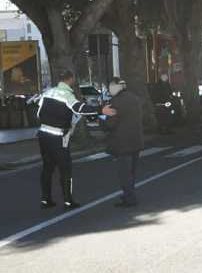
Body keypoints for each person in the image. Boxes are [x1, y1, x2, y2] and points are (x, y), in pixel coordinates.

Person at [37, 70, 116, 210]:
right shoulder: (67, 95)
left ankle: (45, 199)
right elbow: (79, 108)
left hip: (43, 134)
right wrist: (100, 110)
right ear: (71, 79)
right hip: (58, 136)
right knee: (65, 168)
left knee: (47, 168)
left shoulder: (48, 92)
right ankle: (68, 201)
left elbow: (39, 113)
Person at [103, 78, 144, 208]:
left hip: (122, 142)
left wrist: (102, 119)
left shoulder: (116, 102)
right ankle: (129, 194)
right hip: (136, 139)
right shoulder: (134, 98)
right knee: (131, 171)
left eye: (110, 87)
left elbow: (110, 123)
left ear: (116, 87)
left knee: (124, 173)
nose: (109, 90)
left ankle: (129, 198)